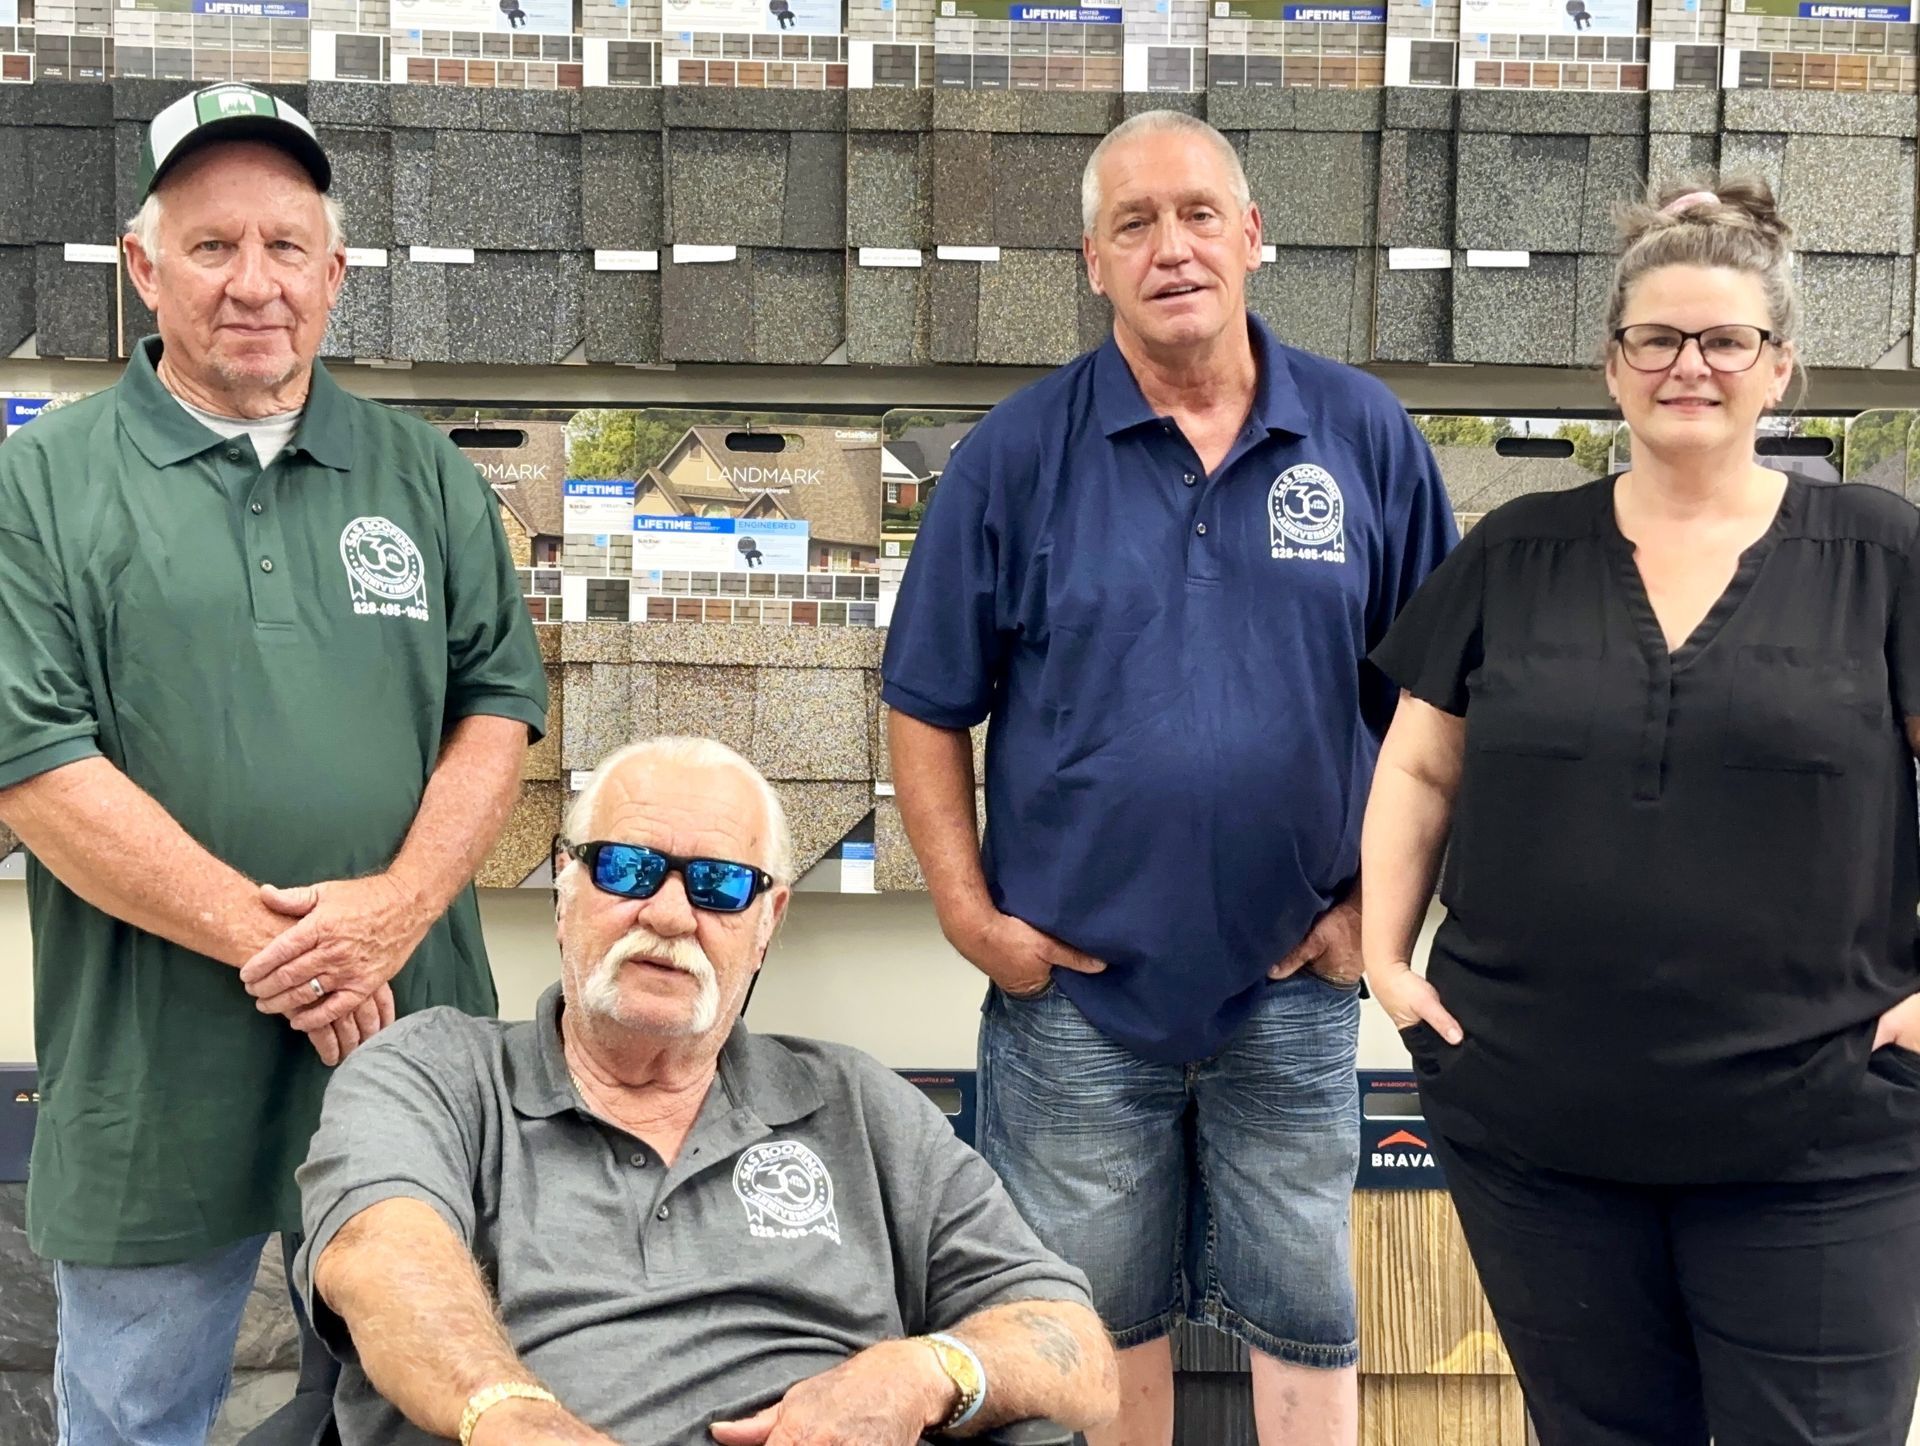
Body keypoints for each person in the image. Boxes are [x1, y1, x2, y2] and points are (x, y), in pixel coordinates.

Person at [881, 109, 1455, 1446]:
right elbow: (924, 705)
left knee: (1310, 1315)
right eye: (1133, 223)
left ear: (1254, 235)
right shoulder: (1014, 458)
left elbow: (1437, 714)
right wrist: (970, 918)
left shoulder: (1365, 440)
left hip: (1291, 992)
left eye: (1199, 213)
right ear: (1092, 260)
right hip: (1073, 1004)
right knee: (1087, 1322)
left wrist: (1373, 913)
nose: (1171, 246)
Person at [0, 83, 547, 1444]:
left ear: (336, 271)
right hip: (150, 1068)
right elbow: (34, 762)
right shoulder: (44, 482)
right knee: (135, 1410)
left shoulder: (423, 477)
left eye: (285, 246)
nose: (255, 284)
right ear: (143, 267)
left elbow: (499, 709)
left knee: (422, 1402)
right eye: (211, 245)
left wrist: (396, 916)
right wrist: (294, 950)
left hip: (404, 1045)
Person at [1362, 178, 1920, 1446]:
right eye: (1657, 339)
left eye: (1726, 340)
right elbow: (1418, 769)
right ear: (1613, 366)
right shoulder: (1517, 552)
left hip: (1821, 1131)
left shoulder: (1881, 556)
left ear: (1779, 367)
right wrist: (1390, 968)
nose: (1690, 366)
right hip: (1541, 1130)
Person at [294, 736, 1119, 1446]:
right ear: (564, 890)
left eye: (720, 885)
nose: (670, 914)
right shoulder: (435, 1072)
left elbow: (1074, 1346)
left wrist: (925, 1370)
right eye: (626, 868)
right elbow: (381, 1254)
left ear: (768, 923)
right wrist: (515, 1418)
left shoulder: (859, 1106)